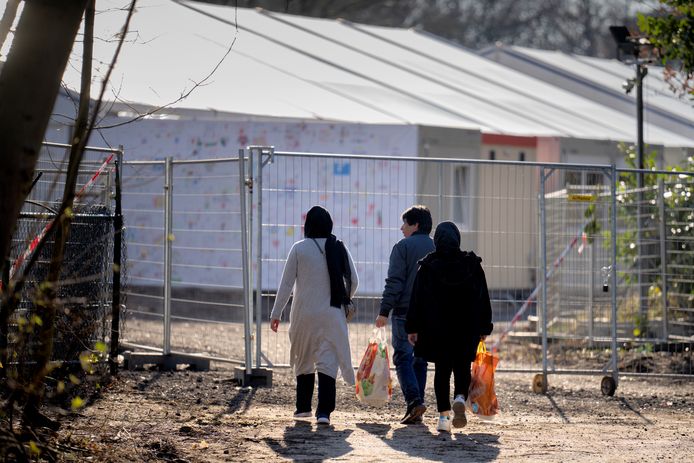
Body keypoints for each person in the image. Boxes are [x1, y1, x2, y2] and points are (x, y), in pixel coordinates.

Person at [270, 206, 358, 426]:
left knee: (304, 358)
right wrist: (343, 296)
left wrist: (276, 313)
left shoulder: (299, 248)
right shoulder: (339, 247)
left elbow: (286, 285)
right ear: (329, 225)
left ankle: (302, 409)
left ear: (307, 225)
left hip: (304, 313)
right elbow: (354, 281)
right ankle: (324, 413)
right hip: (332, 312)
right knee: (328, 361)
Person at [406, 221, 493, 433]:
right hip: (466, 329)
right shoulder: (472, 264)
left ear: (436, 240)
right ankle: (460, 398)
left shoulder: (427, 266)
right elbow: (483, 298)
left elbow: (416, 299)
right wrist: (484, 326)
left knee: (442, 371)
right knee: (462, 366)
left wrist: (412, 327)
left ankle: (443, 417)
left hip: (436, 330)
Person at [375, 205, 435, 424]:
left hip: (404, 313)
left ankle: (414, 401)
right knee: (420, 359)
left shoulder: (403, 247)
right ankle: (417, 404)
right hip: (429, 315)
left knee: (402, 357)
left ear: (415, 225)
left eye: (405, 223)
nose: (402, 228)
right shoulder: (437, 247)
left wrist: (384, 311)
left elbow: (395, 282)